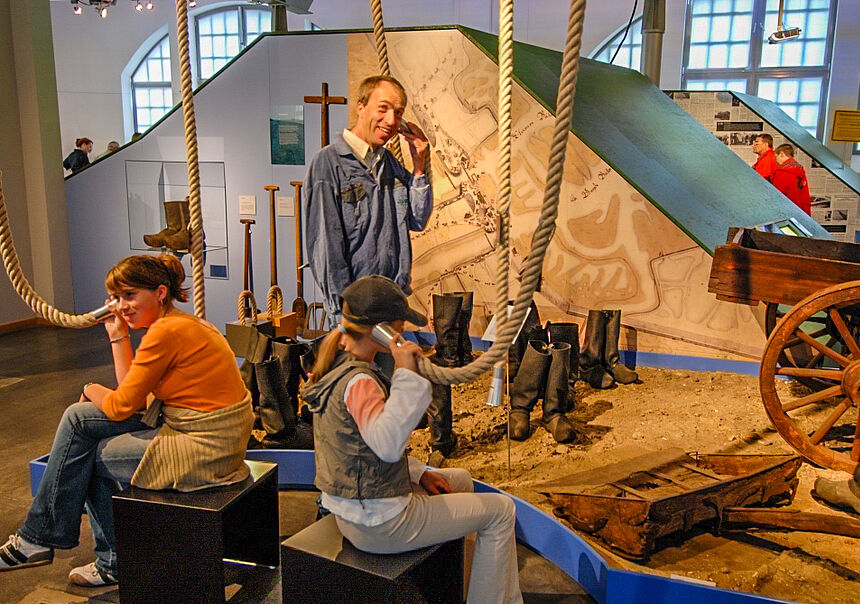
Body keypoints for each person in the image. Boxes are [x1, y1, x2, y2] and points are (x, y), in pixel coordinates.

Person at [0, 254, 253, 587]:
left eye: (130, 295)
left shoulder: (166, 333)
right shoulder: (180, 323)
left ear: (160, 292)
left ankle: (102, 558)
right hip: (200, 428)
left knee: (83, 454)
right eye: (117, 298)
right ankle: (45, 538)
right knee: (78, 418)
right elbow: (132, 399)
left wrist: (90, 388)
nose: (121, 306)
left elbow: (122, 406)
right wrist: (118, 336)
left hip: (204, 447)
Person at [300, 275, 522, 604]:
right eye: (400, 326)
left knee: (459, 479)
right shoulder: (361, 381)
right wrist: (406, 373)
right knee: (502, 510)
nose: (403, 332)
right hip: (378, 524)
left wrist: (419, 473)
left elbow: (361, 447)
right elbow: (387, 444)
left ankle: (463, 589)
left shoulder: (338, 365)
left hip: (357, 510)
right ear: (383, 330)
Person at [302, 75, 432, 330]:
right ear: (361, 108)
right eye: (382, 109)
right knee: (357, 372)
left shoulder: (389, 164)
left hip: (390, 306)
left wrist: (419, 166)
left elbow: (417, 219)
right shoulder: (328, 165)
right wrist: (342, 314)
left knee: (385, 371)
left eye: (398, 112)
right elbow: (325, 248)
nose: (392, 121)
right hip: (354, 315)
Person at [772, 143, 812, 215]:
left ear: (781, 154)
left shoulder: (782, 172)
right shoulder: (799, 169)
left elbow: (777, 196)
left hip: (786, 212)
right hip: (801, 211)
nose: (775, 160)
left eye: (776, 157)